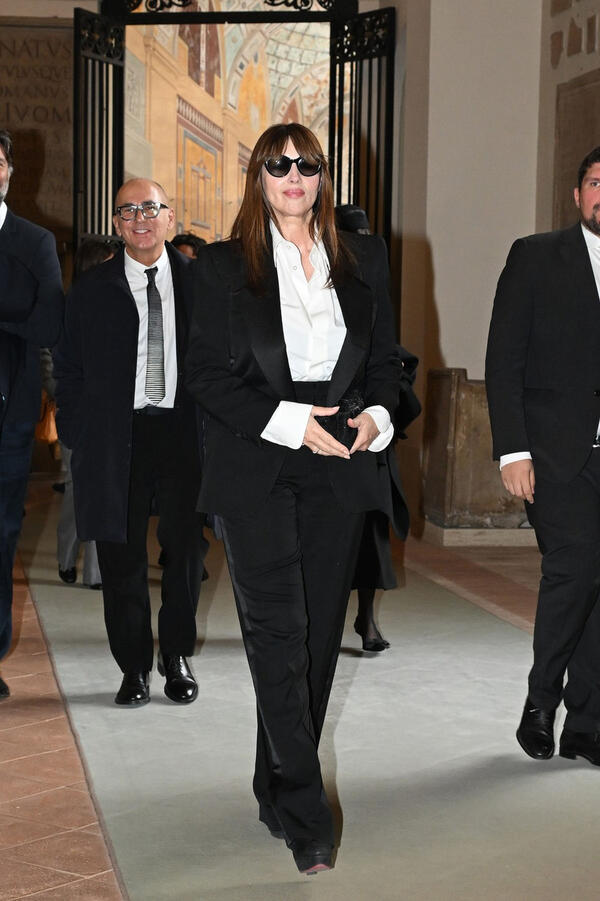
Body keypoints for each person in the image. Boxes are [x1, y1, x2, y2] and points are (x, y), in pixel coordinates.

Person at [185, 123, 401, 874]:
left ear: (321, 177)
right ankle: (308, 814)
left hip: (340, 460)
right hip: (259, 459)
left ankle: (273, 781)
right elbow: (205, 376)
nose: (293, 176)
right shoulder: (222, 266)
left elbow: (387, 362)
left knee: (313, 645)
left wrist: (377, 418)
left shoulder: (366, 258)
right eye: (278, 165)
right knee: (278, 633)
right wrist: (287, 422)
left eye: (306, 164)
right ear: (259, 177)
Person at [54, 179, 207, 707]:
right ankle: (135, 666)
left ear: (169, 217)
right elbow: (68, 368)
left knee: (185, 552)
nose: (139, 218)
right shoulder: (91, 290)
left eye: (149, 208)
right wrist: (78, 433)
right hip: (116, 437)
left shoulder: (200, 282)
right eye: (127, 211)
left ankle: (176, 655)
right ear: (117, 224)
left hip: (183, 434)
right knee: (120, 558)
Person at [486, 145, 600, 768]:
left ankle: (586, 724)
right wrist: (512, 449)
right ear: (577, 194)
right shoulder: (535, 256)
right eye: (596, 182)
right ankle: (541, 699)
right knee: (575, 566)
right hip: (557, 454)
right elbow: (504, 358)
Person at [335, 204, 420, 652]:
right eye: (355, 236)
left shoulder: (373, 284)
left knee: (370, 531)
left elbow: (391, 357)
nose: (362, 245)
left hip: (370, 435)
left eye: (367, 235)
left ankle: (366, 618)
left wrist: (384, 409)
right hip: (325, 430)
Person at [0, 129, 64, 700]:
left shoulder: (35, 241)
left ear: (10, 170)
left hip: (11, 413)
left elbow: (48, 324)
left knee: (1, 533)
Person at [53, 238, 120, 590]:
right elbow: (55, 364)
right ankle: (66, 558)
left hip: (112, 418)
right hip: (77, 415)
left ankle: (96, 573)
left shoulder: (123, 305)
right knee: (77, 493)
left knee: (104, 494)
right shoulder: (68, 306)